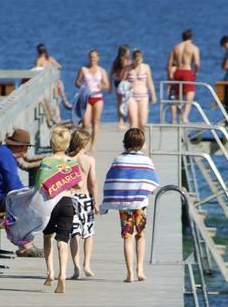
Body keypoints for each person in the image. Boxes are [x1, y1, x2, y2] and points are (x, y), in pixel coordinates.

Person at [100, 127, 159, 283]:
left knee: (127, 237)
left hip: (124, 204)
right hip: (140, 204)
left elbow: (112, 181)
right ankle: (140, 269)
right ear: (142, 143)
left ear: (125, 142)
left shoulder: (118, 159)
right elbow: (152, 181)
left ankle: (130, 273)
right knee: (140, 235)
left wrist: (106, 203)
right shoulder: (146, 160)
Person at [38, 124, 80, 293]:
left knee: (47, 237)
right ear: (68, 143)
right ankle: (63, 275)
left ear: (51, 142)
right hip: (66, 202)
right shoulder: (72, 162)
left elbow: (40, 185)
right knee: (63, 240)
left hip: (50, 204)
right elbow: (79, 184)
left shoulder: (46, 161)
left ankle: (50, 273)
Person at [67, 128, 98, 279]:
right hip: (85, 198)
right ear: (85, 143)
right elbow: (92, 183)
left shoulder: (67, 159)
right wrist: (95, 202)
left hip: (71, 198)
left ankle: (76, 266)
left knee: (75, 233)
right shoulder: (90, 160)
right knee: (89, 232)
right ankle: (87, 264)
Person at [75, 50, 109, 151]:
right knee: (85, 123)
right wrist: (82, 86)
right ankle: (85, 144)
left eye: (94, 57)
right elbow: (77, 82)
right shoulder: (83, 69)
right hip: (86, 98)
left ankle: (93, 144)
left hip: (97, 98)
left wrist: (102, 86)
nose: (92, 59)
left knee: (95, 122)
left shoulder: (101, 71)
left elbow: (107, 86)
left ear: (98, 58)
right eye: (90, 57)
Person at [167, 29, 201, 124]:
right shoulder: (194, 48)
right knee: (189, 95)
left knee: (177, 96)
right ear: (191, 37)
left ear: (182, 37)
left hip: (177, 71)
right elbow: (197, 63)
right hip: (187, 71)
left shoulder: (176, 47)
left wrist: (170, 76)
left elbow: (170, 63)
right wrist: (196, 72)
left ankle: (174, 119)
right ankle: (184, 117)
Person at [33, 43, 72, 113]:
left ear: (38, 51)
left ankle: (54, 118)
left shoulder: (38, 61)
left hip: (47, 85)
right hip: (56, 82)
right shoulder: (50, 59)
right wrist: (52, 70)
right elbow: (59, 67)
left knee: (49, 102)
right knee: (56, 102)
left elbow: (36, 72)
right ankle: (59, 117)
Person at [126, 49, 157, 130]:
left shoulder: (146, 67)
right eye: (136, 59)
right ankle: (132, 141)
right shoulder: (128, 68)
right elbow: (121, 82)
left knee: (142, 123)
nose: (137, 61)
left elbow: (150, 82)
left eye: (139, 59)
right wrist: (126, 86)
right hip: (131, 96)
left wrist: (153, 94)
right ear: (133, 59)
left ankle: (141, 141)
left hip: (143, 96)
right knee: (133, 123)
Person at [109, 44, 131, 130]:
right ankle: (127, 121)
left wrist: (110, 85)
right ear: (125, 52)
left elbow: (111, 73)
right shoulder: (126, 61)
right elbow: (125, 73)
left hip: (117, 81)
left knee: (119, 103)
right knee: (127, 102)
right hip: (124, 82)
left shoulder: (116, 61)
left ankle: (121, 121)